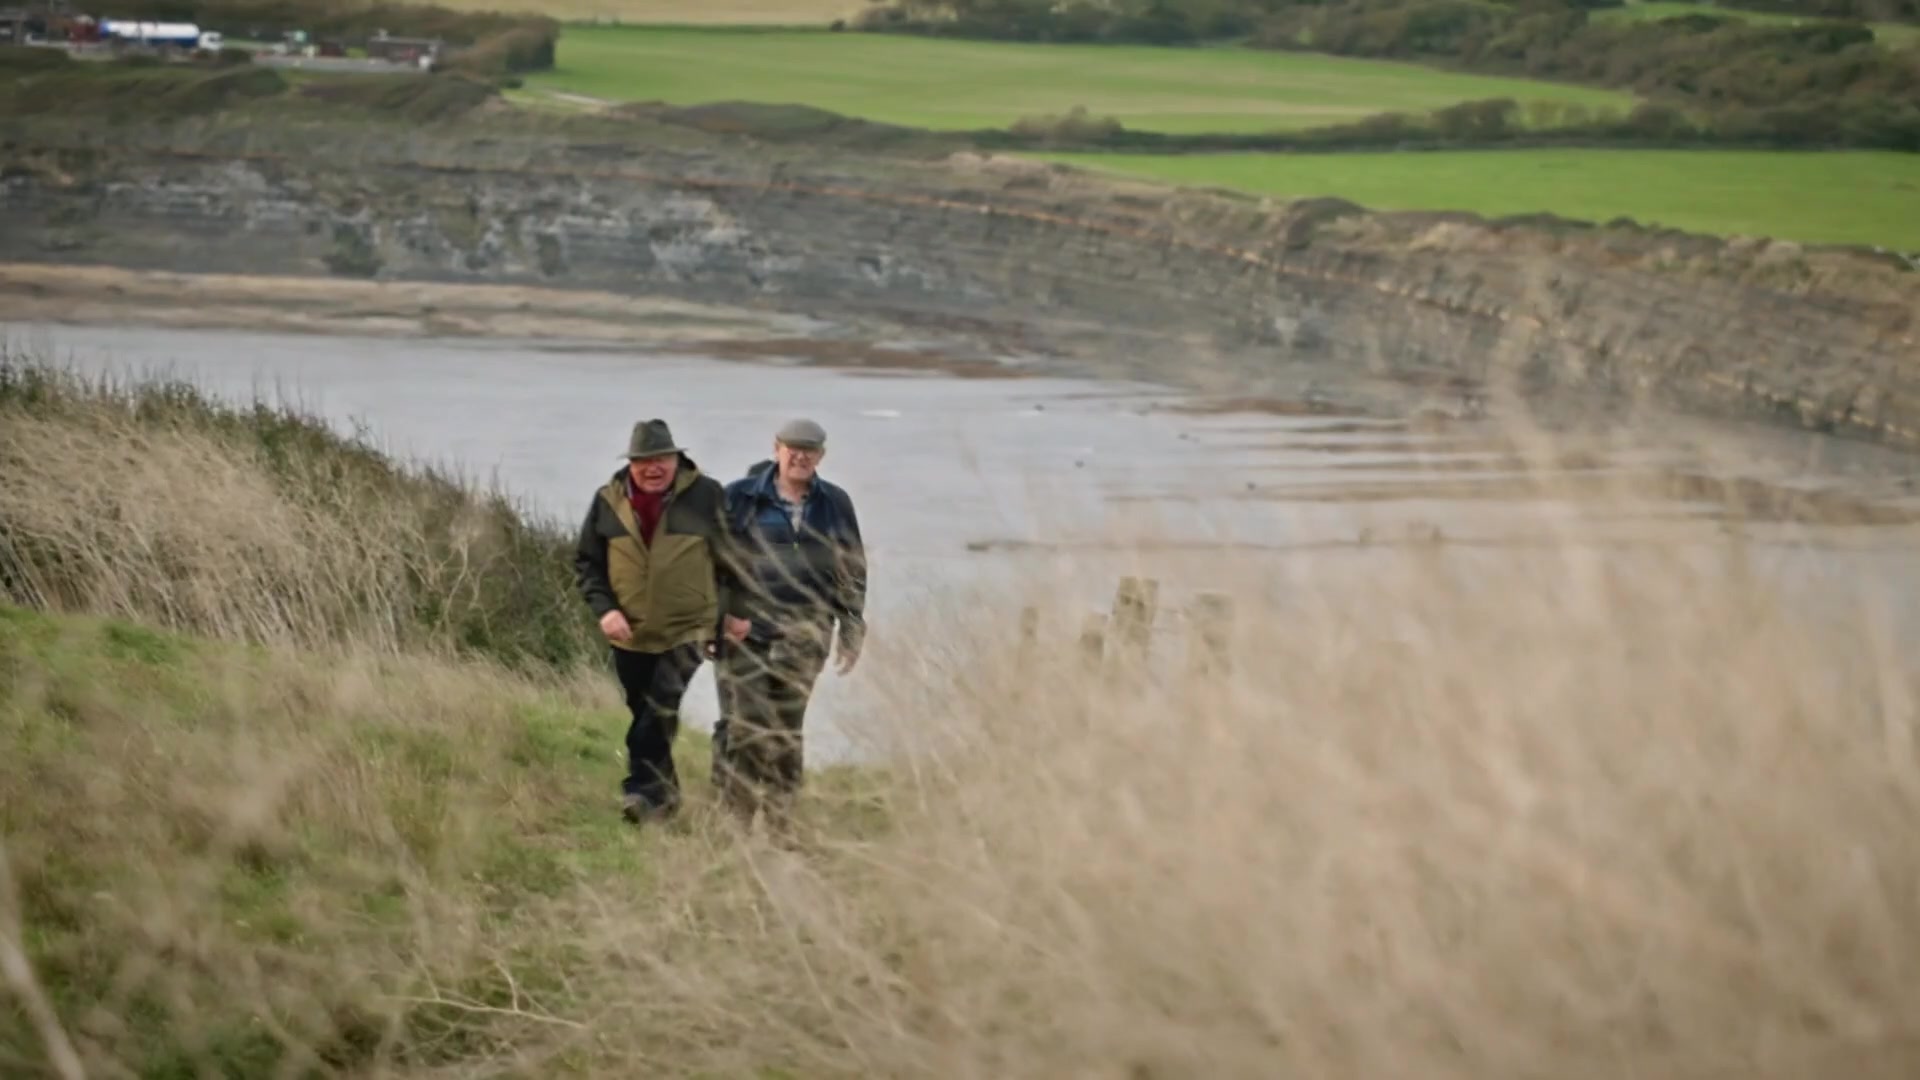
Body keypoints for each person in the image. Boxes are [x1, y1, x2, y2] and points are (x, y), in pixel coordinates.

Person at [573, 418, 737, 825]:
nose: (653, 467)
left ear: (676, 459)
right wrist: (606, 610)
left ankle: (640, 792)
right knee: (645, 712)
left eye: (661, 458)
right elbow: (587, 564)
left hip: (688, 629)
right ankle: (664, 796)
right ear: (630, 464)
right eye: (643, 460)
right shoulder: (607, 501)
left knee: (660, 708)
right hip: (629, 633)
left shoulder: (706, 495)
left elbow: (733, 562)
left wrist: (729, 619)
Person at [711, 418, 867, 834]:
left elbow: (851, 570)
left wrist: (852, 628)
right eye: (792, 448)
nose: (800, 456)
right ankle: (738, 822)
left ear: (821, 455)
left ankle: (781, 824)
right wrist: (720, 618)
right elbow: (710, 562)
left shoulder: (835, 503)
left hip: (807, 634)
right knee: (747, 725)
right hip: (745, 632)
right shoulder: (740, 496)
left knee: (785, 731)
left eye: (809, 450)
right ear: (776, 448)